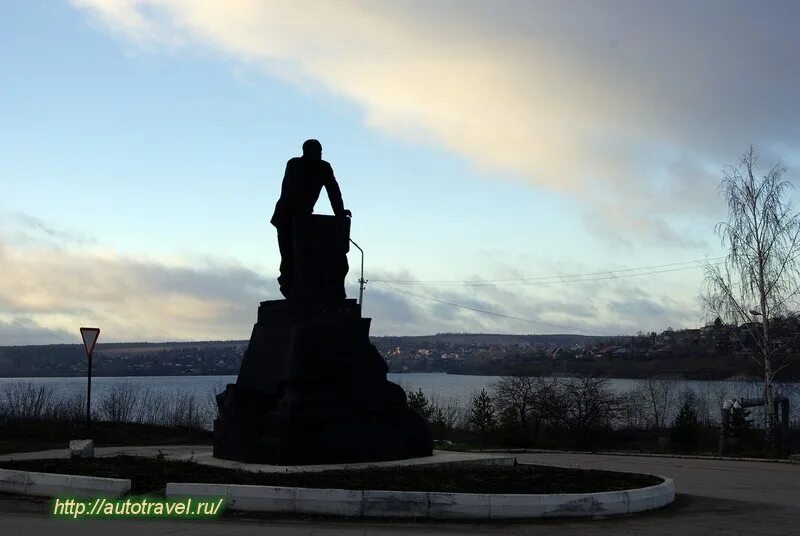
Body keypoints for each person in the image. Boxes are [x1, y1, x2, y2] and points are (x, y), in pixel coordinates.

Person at [270, 139, 351, 298]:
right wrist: (304, 209)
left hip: (304, 218)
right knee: (288, 256)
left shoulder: (324, 168)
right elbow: (292, 189)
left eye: (321, 151)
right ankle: (288, 285)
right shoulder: (294, 164)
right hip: (286, 216)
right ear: (306, 152)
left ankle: (302, 289)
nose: (319, 154)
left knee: (304, 255)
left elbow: (333, 190)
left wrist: (339, 212)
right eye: (316, 152)